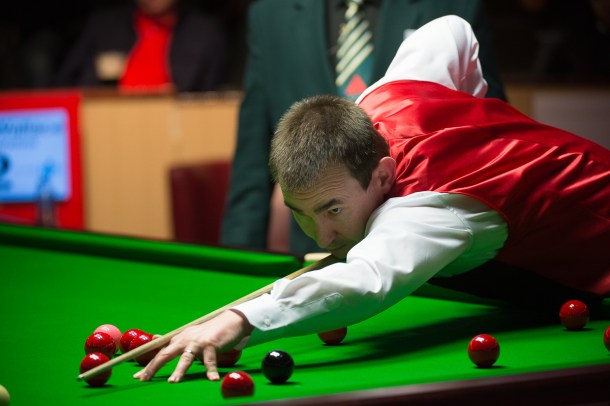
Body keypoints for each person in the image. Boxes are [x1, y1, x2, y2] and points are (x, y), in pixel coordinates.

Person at [134, 15, 610, 383]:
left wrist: (240, 319)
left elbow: (365, 283)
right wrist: (471, 108)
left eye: (333, 210)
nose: (322, 237)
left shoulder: (429, 208)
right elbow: (451, 30)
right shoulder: (385, 97)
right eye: (302, 214)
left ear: (383, 176)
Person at [221, 0, 507, 256]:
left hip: (429, 249)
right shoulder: (270, 14)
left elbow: (493, 140)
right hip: (320, 252)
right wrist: (237, 261)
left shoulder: (452, 5)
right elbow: (252, 163)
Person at [55, 0, 227, 92]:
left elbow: (214, 99)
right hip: (109, 127)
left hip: (177, 131)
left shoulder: (204, 32)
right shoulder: (104, 27)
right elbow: (66, 87)